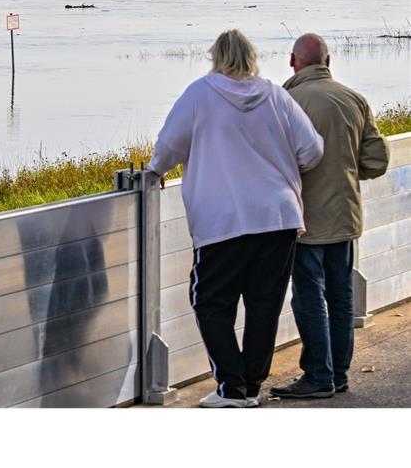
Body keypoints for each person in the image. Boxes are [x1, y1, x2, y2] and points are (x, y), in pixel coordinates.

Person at [147, 29, 324, 408]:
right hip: (277, 217)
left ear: (216, 56)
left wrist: (156, 171)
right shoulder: (277, 95)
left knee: (210, 302)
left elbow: (169, 145)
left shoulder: (200, 94)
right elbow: (312, 150)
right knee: (264, 304)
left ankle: (231, 387)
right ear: (252, 56)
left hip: (223, 220)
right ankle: (251, 386)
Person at [269, 33, 389, 399]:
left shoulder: (285, 101)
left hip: (303, 222)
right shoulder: (354, 100)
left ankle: (318, 376)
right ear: (329, 60)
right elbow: (377, 161)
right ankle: (338, 374)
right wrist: (346, 172)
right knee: (340, 297)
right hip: (345, 217)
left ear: (293, 62)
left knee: (308, 298)